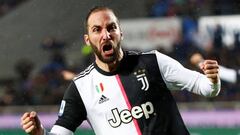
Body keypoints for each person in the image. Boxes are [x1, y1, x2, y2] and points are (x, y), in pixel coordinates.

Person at [21, 6, 221, 135]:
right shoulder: (81, 88)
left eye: (111, 28)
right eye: (97, 30)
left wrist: (212, 79)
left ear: (120, 33)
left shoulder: (153, 62)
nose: (105, 35)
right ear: (87, 40)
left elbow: (207, 89)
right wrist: (39, 133)